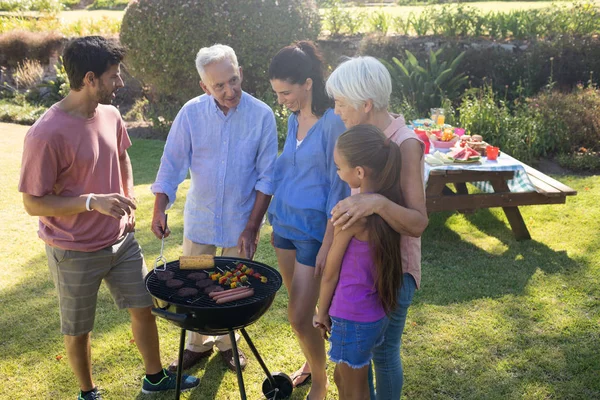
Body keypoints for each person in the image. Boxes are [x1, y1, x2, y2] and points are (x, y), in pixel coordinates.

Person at [18, 36, 200, 400]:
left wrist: (128, 194)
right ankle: (88, 392)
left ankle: (154, 377)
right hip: (72, 250)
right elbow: (33, 203)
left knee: (145, 307)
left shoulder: (111, 115)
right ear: (89, 79)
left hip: (120, 241)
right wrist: (91, 202)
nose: (120, 83)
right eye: (114, 76)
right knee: (79, 328)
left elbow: (122, 157)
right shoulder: (46, 133)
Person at [150, 44, 278, 373]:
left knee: (233, 287)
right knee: (195, 278)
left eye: (233, 80)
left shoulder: (261, 114)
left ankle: (227, 343)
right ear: (204, 87)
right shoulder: (191, 113)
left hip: (241, 223)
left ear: (240, 73)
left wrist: (252, 227)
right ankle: (196, 345)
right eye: (219, 86)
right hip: (200, 222)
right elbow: (170, 166)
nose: (229, 90)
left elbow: (267, 177)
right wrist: (158, 208)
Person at [326, 56, 429, 399]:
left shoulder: (405, 144)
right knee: (356, 361)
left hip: (393, 273)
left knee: (383, 355)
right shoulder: (362, 137)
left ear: (366, 104)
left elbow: (417, 222)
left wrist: (379, 204)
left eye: (341, 103)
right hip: (361, 271)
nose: (337, 111)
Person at [268, 41, 350, 400]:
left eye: (286, 92)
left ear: (307, 83)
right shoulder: (292, 118)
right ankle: (310, 363)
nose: (281, 99)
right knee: (300, 311)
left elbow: (340, 186)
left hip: (313, 234)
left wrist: (329, 242)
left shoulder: (333, 123)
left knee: (301, 316)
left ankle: (321, 380)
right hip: (283, 227)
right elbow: (288, 169)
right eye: (277, 93)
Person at [314, 124, 405, 400]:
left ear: (359, 172)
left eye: (340, 167)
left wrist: (321, 311)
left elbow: (330, 273)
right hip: (374, 314)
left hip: (351, 315)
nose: (338, 173)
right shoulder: (389, 204)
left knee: (354, 390)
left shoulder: (351, 217)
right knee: (344, 378)